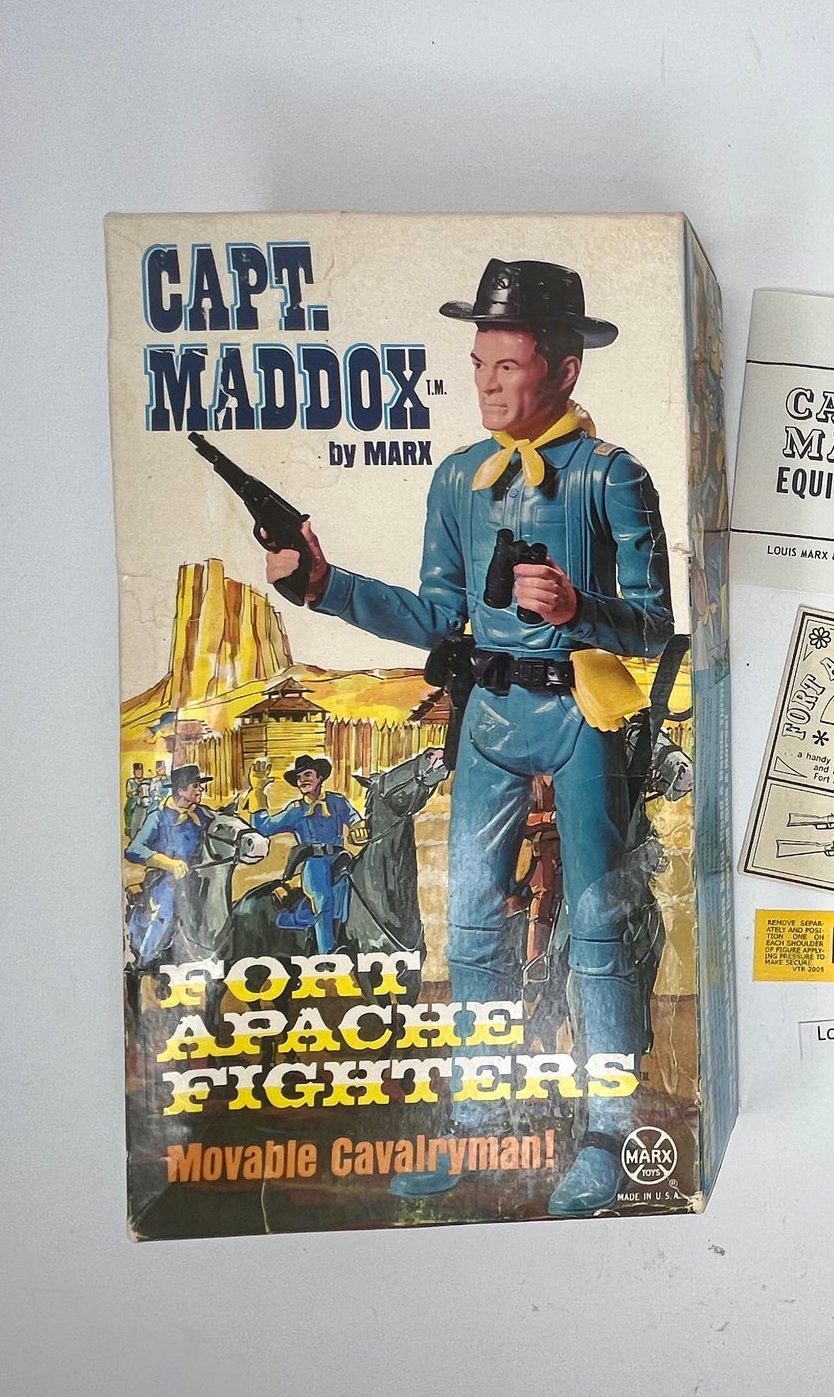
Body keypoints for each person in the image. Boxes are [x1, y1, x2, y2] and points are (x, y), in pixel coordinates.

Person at [265, 258, 674, 1215]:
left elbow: (655, 625)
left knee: (599, 925)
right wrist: (324, 586)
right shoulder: (457, 480)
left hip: (580, 717)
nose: (486, 383)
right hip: (488, 721)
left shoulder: (612, 476)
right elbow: (436, 615)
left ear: (565, 369)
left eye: (507, 365)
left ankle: (608, 1132)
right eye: (478, 364)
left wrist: (579, 610)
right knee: (474, 926)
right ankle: (478, 1114)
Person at [251, 755, 361, 954]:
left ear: (320, 777)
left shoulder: (337, 802)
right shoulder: (296, 810)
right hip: (315, 864)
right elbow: (264, 827)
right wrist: (258, 791)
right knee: (323, 899)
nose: (302, 780)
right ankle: (327, 954)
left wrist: (359, 827)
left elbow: (354, 818)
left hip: (340, 860)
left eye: (308, 774)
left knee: (352, 897)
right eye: (299, 777)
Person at [124, 763, 215, 968]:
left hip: (198, 878)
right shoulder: (158, 816)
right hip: (165, 881)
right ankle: (145, 961)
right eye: (195, 786)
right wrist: (169, 863)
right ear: (181, 790)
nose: (200, 790)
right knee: (164, 913)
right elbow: (134, 849)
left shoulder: (202, 815)